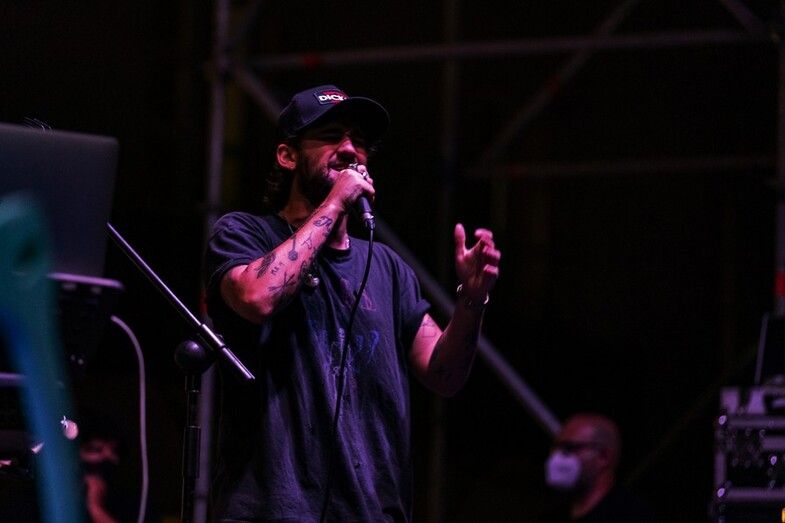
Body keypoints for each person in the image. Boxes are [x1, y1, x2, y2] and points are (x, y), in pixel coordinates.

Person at [203, 84, 501, 522]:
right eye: (331, 136)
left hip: (372, 511)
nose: (349, 150)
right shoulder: (245, 234)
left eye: (358, 141)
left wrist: (472, 301)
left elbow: (444, 374)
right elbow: (257, 297)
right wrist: (335, 201)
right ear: (288, 155)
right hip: (273, 509)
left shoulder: (388, 267)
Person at [541, 413, 656, 523]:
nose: (557, 458)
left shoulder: (632, 516)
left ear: (603, 457)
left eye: (570, 448)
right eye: (556, 448)